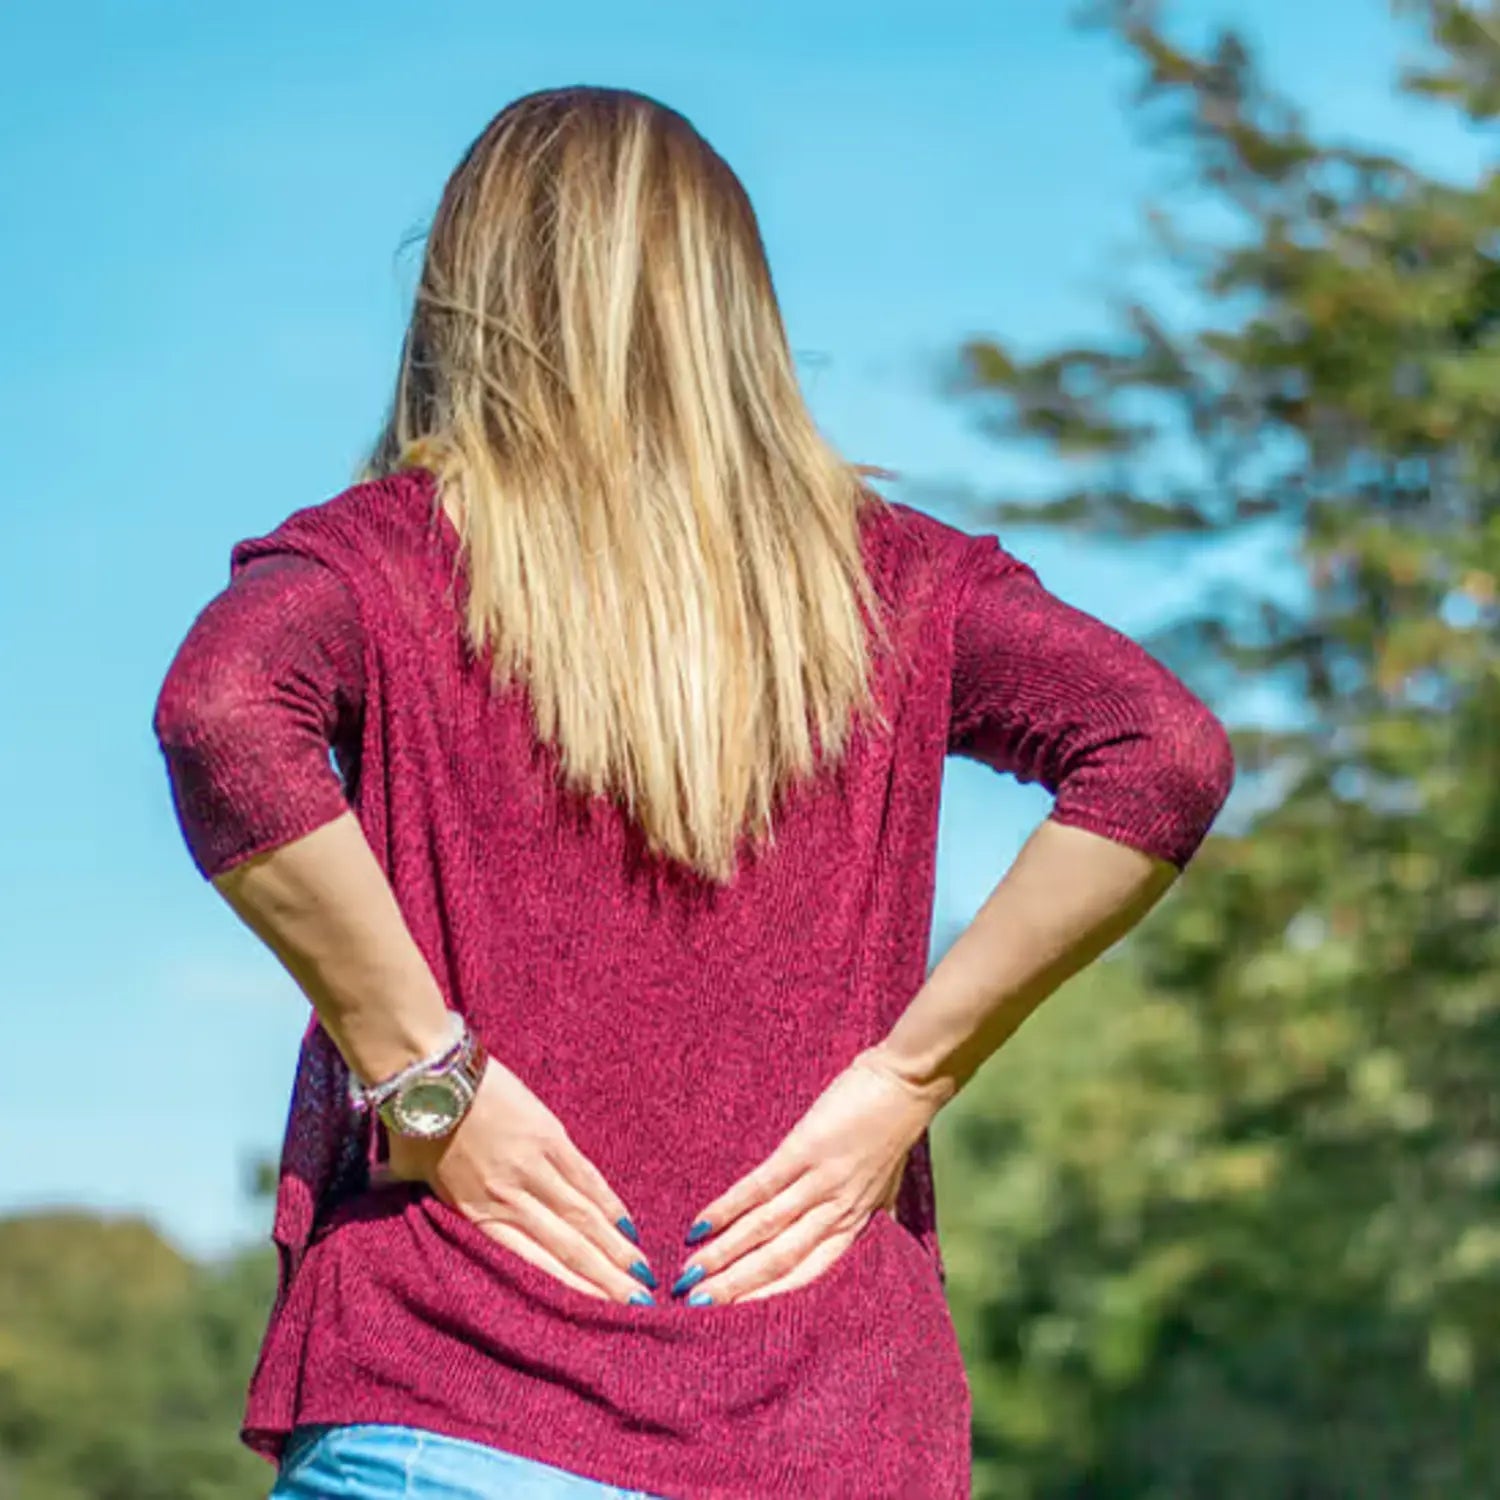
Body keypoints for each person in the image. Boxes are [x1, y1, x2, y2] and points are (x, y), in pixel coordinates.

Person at [151, 84, 1235, 1500]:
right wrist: (910, 1078)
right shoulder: (897, 585)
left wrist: (426, 1078)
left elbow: (223, 713)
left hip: (452, 1410)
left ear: (466, 295)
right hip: (834, 1432)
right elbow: (1166, 749)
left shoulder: (393, 561)